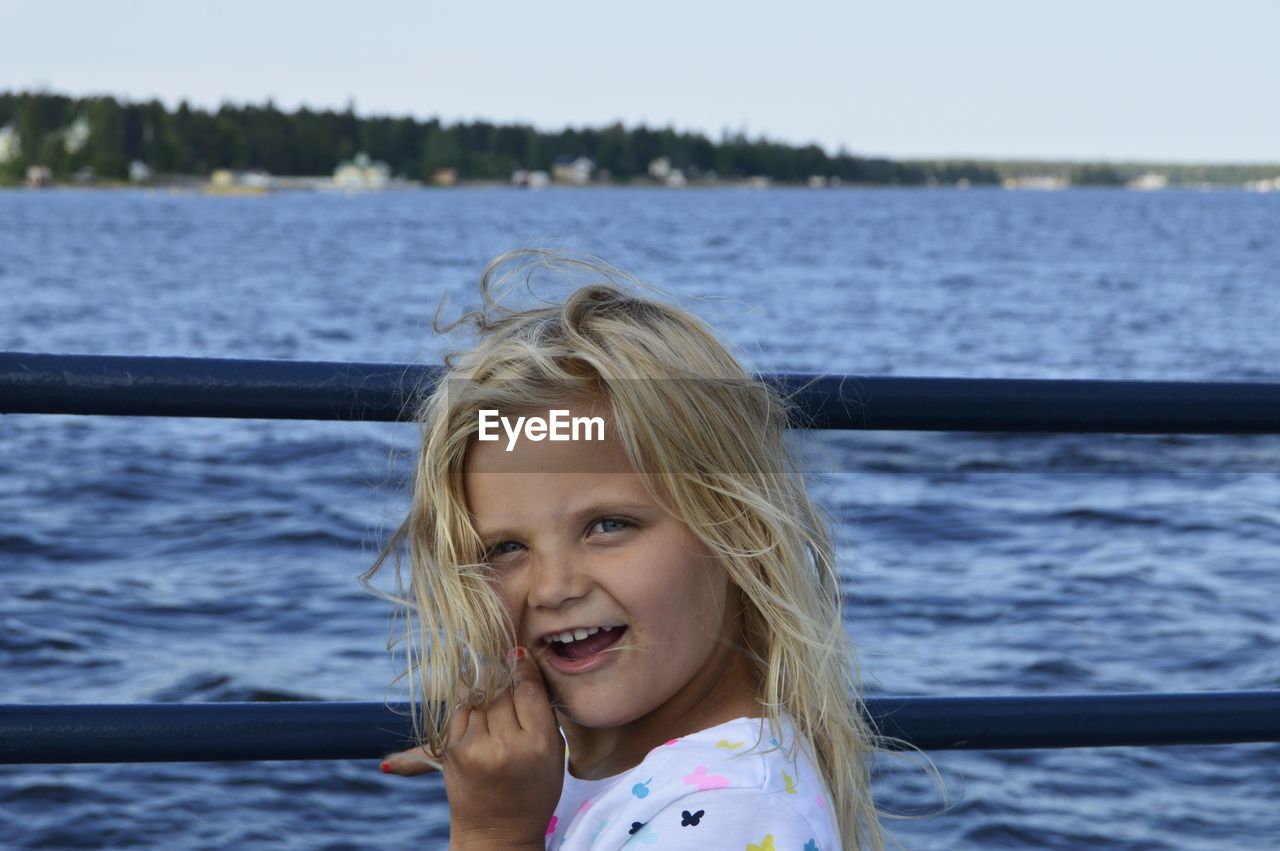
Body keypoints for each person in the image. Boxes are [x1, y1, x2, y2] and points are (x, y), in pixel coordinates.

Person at [368, 250, 887, 850]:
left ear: (737, 528)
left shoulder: (728, 818)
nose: (555, 586)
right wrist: (507, 766)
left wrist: (495, 830)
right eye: (506, 546)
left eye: (608, 526)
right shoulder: (655, 772)